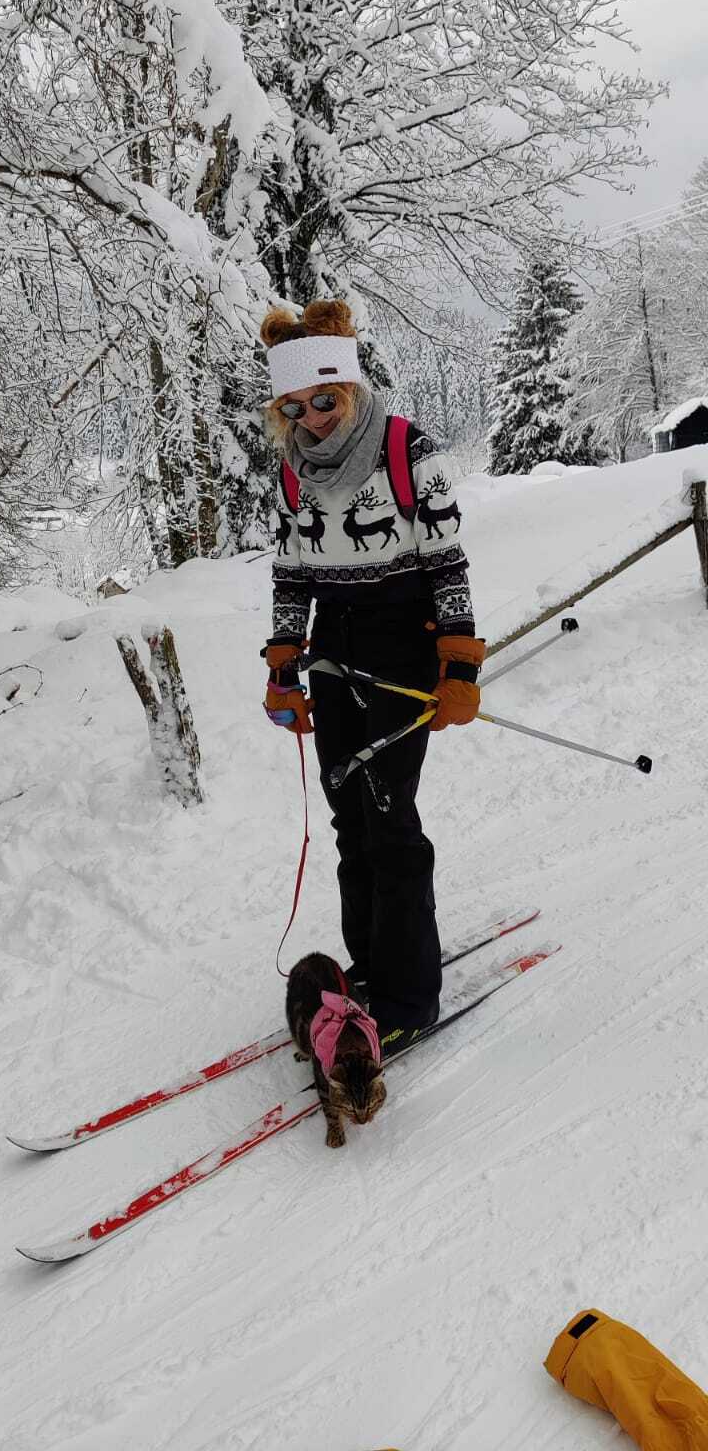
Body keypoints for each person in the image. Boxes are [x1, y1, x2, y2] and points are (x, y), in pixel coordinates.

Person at [260, 298, 484, 1050]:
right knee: (350, 819)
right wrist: (283, 664)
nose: (312, 417)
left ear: (348, 387)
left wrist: (458, 661)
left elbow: (446, 561)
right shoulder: (292, 472)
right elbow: (291, 573)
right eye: (294, 405)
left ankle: (410, 994)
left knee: (390, 821)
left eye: (323, 399)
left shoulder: (405, 451)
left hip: (402, 649)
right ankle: (370, 964)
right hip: (333, 649)